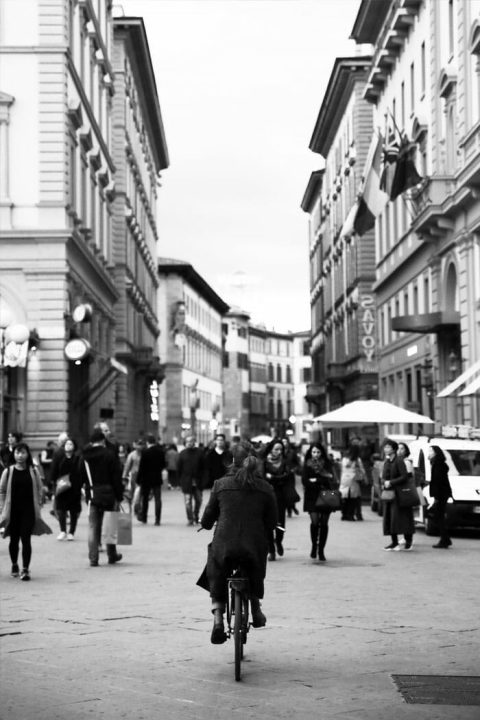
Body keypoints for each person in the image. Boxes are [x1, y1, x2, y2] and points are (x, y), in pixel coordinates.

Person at [197, 441, 277, 644]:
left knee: (215, 565)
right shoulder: (265, 488)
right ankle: (256, 610)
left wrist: (205, 524)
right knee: (257, 563)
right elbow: (272, 521)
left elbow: (208, 518)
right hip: (253, 545)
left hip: (225, 545)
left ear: (232, 460)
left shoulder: (220, 485)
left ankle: (217, 619)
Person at [0, 442, 52, 580]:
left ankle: (25, 569)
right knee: (14, 540)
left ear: (27, 454)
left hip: (28, 511)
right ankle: (14, 564)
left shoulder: (33, 471)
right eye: (17, 452)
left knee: (26, 540)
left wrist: (39, 504)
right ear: (14, 454)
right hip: (13, 511)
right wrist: (2, 507)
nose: (20, 456)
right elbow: (2, 491)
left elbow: (40, 489)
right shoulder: (8, 471)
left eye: (23, 453)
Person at [81, 429, 124, 567]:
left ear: (91, 442)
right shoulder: (110, 455)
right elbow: (116, 477)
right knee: (110, 525)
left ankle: (93, 558)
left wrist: (85, 491)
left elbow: (79, 475)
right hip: (109, 494)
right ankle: (112, 555)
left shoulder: (84, 457)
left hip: (93, 494)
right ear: (103, 441)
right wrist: (119, 495)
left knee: (93, 526)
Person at [301, 442, 336, 561]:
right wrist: (318, 481)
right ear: (310, 453)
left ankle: (321, 549)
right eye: (313, 452)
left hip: (325, 496)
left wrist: (316, 479)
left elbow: (330, 478)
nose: (316, 454)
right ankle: (314, 546)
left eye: (318, 452)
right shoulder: (307, 464)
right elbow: (304, 480)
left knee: (324, 523)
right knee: (315, 522)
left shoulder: (327, 464)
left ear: (322, 453)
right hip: (311, 497)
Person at [381, 438, 415, 551]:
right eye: (385, 447)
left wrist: (391, 482)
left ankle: (408, 541)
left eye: (388, 447)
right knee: (389, 518)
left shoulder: (399, 461)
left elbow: (404, 476)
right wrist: (384, 482)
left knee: (402, 517)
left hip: (399, 494)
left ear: (394, 449)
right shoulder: (387, 461)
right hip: (389, 493)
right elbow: (384, 476)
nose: (386, 449)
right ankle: (394, 542)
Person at [262, 438, 291, 560]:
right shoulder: (264, 463)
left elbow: (287, 477)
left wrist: (273, 477)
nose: (278, 452)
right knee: (268, 523)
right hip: (267, 496)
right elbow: (262, 478)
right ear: (271, 449)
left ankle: (278, 541)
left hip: (280, 496)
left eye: (280, 449)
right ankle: (271, 549)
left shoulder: (284, 462)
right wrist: (278, 478)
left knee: (280, 522)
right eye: (276, 449)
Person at [51, 438, 83, 541]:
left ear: (74, 447)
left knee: (74, 511)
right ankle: (63, 531)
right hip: (62, 487)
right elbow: (54, 471)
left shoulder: (78, 458)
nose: (68, 446)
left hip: (74, 488)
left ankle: (71, 532)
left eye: (71, 444)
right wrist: (53, 484)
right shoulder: (59, 457)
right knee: (61, 510)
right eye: (67, 444)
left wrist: (81, 485)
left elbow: (81, 472)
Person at [136, 434, 166, 525]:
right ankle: (157, 520)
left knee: (145, 499)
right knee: (158, 499)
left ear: (148, 442)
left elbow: (141, 467)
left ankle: (144, 518)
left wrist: (138, 479)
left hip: (146, 479)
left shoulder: (145, 452)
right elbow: (163, 465)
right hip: (157, 478)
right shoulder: (160, 452)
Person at [428, 445, 453, 549]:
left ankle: (445, 540)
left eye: (430, 451)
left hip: (441, 494)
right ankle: (445, 539)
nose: (428, 453)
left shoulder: (438, 464)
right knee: (439, 516)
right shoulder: (437, 463)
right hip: (442, 493)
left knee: (439, 517)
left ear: (435, 453)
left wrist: (437, 496)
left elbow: (438, 481)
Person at [177, 435, 205, 525]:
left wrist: (204, 480)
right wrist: (179, 481)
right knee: (188, 501)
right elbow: (179, 468)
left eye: (191, 441)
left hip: (198, 481)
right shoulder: (182, 453)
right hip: (186, 481)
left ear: (194, 442)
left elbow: (204, 468)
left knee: (199, 500)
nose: (189, 443)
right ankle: (190, 518)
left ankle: (196, 514)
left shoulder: (200, 453)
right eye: (187, 441)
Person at [339, 444, 364, 521]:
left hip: (344, 480)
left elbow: (342, 469)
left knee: (345, 498)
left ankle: (344, 514)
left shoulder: (344, 459)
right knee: (353, 499)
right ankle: (350, 515)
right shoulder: (357, 460)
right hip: (353, 480)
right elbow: (362, 470)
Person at [122, 439, 145, 513]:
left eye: (141, 444)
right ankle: (133, 506)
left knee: (140, 492)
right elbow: (127, 466)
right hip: (134, 475)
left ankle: (138, 507)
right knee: (133, 492)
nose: (140, 446)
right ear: (135, 445)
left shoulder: (145, 454)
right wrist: (124, 476)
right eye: (138, 444)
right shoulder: (132, 455)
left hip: (142, 475)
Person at [282, 437, 301, 517]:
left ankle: (291, 508)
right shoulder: (279, 452)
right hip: (282, 475)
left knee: (290, 492)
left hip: (290, 475)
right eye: (282, 442)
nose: (284, 443)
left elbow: (297, 463)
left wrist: (294, 469)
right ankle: (291, 508)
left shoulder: (292, 452)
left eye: (285, 441)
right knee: (284, 493)